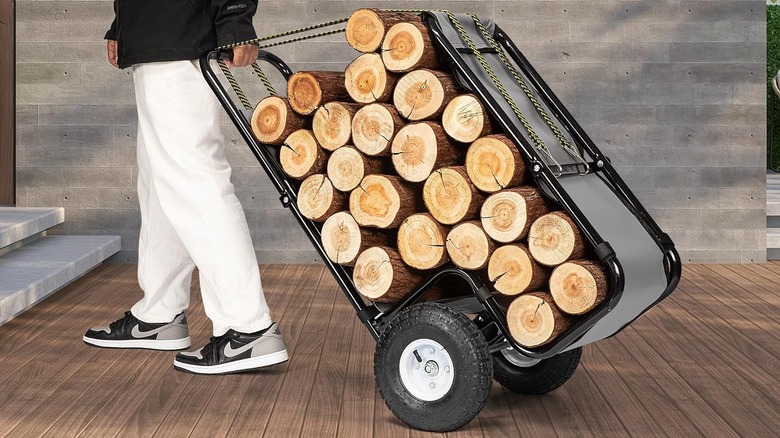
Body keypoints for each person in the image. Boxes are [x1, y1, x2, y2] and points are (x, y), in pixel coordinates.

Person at [82, 0, 288, 375]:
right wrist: (122, 26)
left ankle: (248, 328)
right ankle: (159, 314)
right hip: (157, 35)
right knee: (159, 183)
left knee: (195, 182)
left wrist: (236, 16)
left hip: (182, 37)